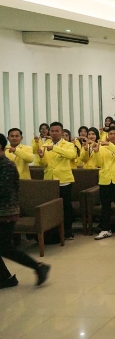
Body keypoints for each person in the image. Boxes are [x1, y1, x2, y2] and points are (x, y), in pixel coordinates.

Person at [0, 133, 51, 289]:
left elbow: (5, 190)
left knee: (5, 247)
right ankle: (6, 278)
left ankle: (38, 267)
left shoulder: (6, 165)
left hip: (6, 213)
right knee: (3, 247)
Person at [37, 122, 77, 240]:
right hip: (50, 179)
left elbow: (71, 155)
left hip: (63, 179)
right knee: (51, 207)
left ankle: (68, 230)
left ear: (62, 132)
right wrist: (41, 156)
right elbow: (44, 164)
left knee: (65, 206)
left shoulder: (68, 144)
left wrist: (54, 148)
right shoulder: (45, 144)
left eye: (57, 131)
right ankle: (53, 231)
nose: (54, 133)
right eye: (52, 131)